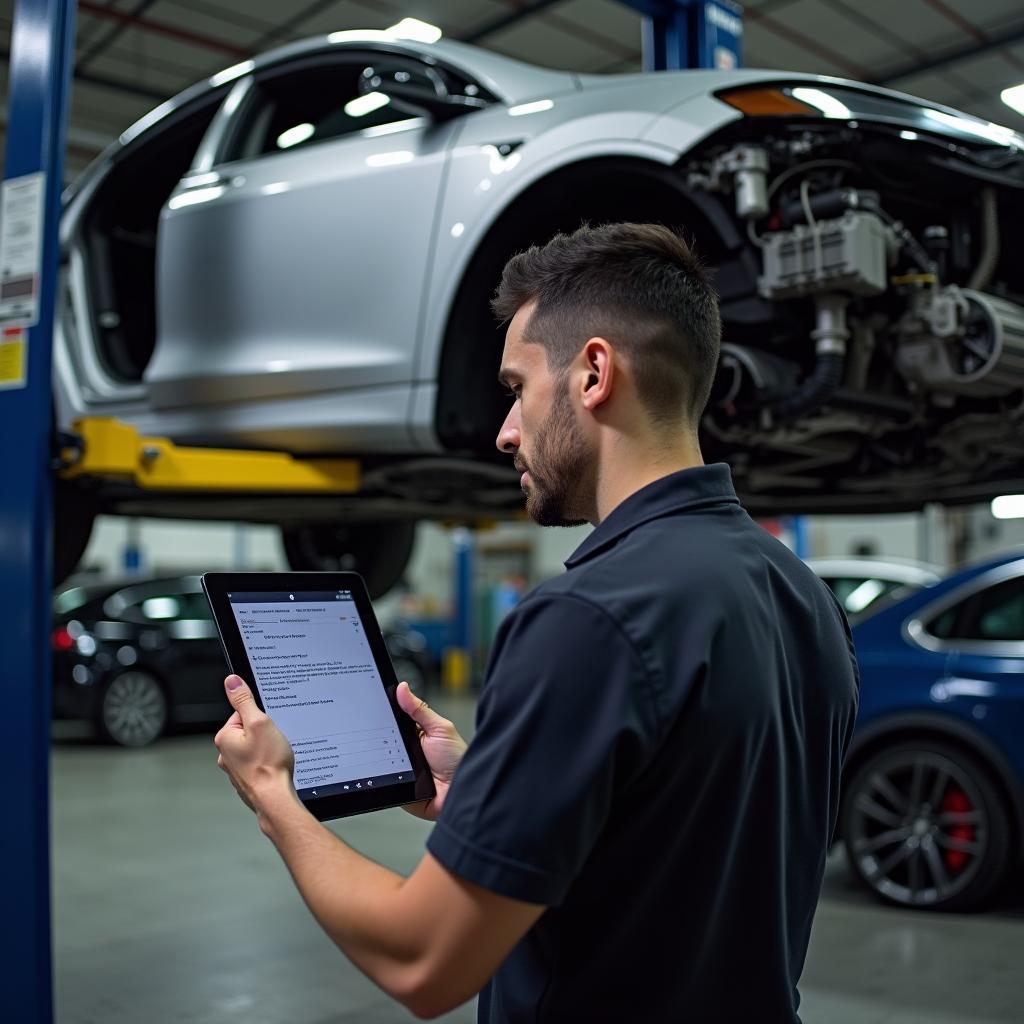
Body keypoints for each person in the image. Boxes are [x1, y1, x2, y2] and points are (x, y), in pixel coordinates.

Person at [215, 222, 859, 1022]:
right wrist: (485, 797)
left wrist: (273, 794)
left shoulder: (586, 617)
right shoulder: (803, 594)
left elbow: (424, 961)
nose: (504, 430)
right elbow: (676, 841)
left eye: (516, 388)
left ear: (593, 373)